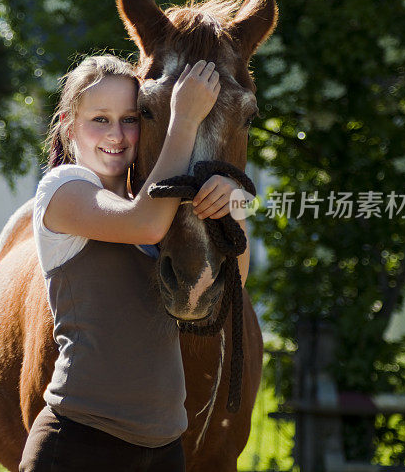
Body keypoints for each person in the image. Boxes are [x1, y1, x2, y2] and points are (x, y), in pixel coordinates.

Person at [18, 54, 248, 472]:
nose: (117, 134)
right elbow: (144, 225)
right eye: (100, 119)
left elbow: (236, 281)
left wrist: (232, 202)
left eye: (131, 118)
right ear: (69, 125)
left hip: (162, 447)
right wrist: (183, 120)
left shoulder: (149, 203)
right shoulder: (62, 190)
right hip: (80, 443)